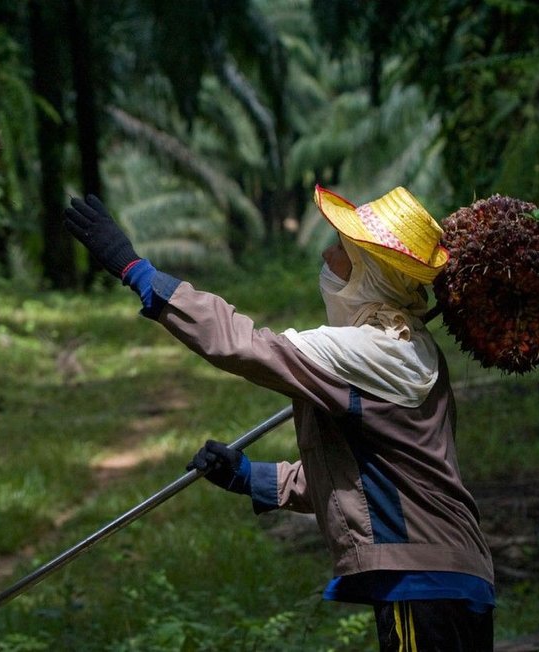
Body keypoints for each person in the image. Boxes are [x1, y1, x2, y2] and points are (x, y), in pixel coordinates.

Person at [64, 186, 495, 652]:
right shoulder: (410, 350)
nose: (328, 257)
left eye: (343, 252)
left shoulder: (370, 352)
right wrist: (252, 478)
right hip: (449, 572)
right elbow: (373, 482)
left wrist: (140, 273)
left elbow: (244, 344)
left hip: (424, 578)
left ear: (370, 276)